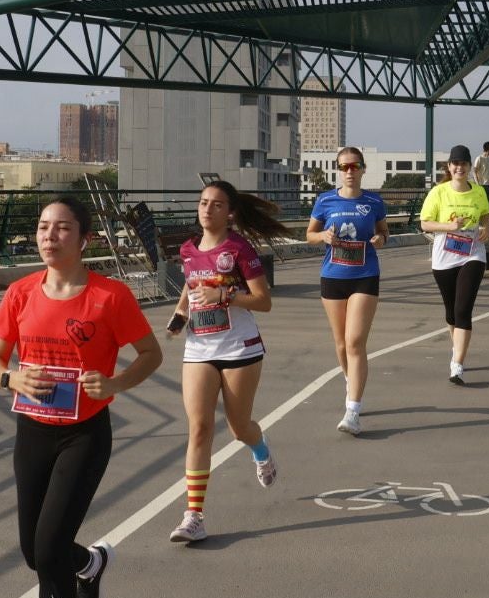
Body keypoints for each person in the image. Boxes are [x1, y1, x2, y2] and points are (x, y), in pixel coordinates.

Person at [0, 195, 163, 598]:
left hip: (84, 434)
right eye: (43, 227)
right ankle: (89, 564)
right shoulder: (20, 293)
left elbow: (150, 354)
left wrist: (117, 382)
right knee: (34, 551)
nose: (49, 236)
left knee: (47, 553)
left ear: (84, 239)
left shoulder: (109, 296)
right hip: (32, 432)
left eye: (62, 228)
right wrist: (12, 376)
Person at [164, 181, 291, 544]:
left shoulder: (239, 249)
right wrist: (179, 316)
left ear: (230, 212)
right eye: (203, 202)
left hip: (240, 348)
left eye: (217, 205)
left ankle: (261, 449)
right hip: (199, 349)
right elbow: (190, 287)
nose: (207, 209)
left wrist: (225, 294)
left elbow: (264, 300)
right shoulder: (188, 249)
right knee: (200, 428)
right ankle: (194, 516)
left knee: (238, 428)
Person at [307, 146, 389, 435]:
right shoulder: (325, 200)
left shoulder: (373, 201)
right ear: (338, 171)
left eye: (355, 166)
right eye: (344, 167)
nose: (350, 172)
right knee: (341, 344)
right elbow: (309, 235)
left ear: (363, 169)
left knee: (355, 342)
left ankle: (353, 410)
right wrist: (323, 236)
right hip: (333, 275)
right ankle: (350, 379)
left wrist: (380, 238)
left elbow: (384, 232)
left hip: (365, 275)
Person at [419, 144, 489, 385]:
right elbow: (425, 223)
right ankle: (456, 350)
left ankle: (457, 365)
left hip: (473, 253)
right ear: (449, 167)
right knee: (451, 312)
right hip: (445, 256)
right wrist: (449, 227)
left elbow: (485, 213)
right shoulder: (438, 192)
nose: (459, 167)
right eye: (455, 164)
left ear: (470, 167)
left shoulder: (479, 192)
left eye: (464, 164)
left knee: (463, 310)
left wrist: (486, 227)